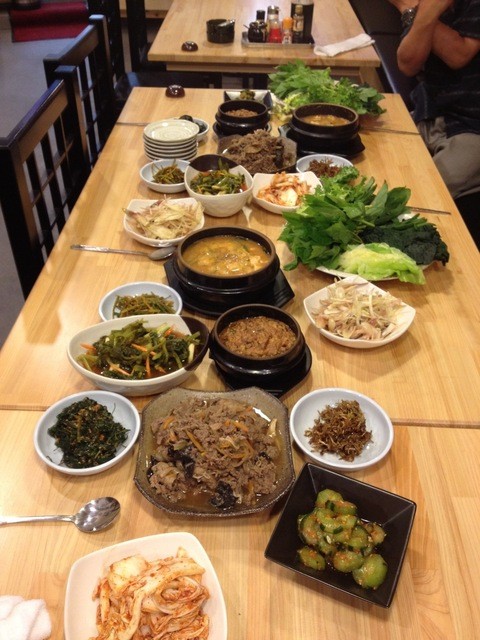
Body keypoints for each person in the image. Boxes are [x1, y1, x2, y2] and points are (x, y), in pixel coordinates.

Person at [386, 0, 480, 205]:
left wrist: (413, 9)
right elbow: (408, 63)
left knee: (415, 196)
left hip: (473, 127)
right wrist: (413, 10)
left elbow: (458, 55)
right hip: (430, 113)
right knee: (377, 159)